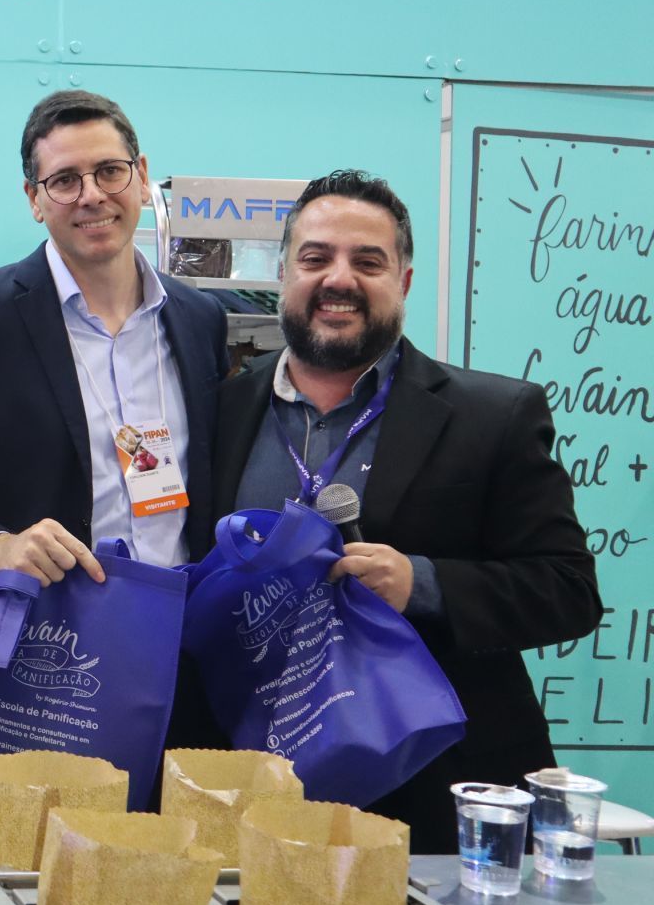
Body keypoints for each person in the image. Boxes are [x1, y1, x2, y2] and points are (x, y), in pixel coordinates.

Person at [211, 169, 601, 851]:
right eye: (316, 258)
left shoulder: (495, 417)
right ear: (284, 275)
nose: (339, 279)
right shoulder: (220, 410)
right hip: (253, 785)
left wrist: (419, 583)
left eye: (368, 262)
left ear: (405, 283)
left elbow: (568, 591)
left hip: (432, 795)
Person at [0, 90, 228, 653]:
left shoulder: (200, 319)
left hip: (179, 646)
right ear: (35, 199)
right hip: (34, 651)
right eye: (64, 180)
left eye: (110, 171)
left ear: (142, 177)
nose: (92, 196)